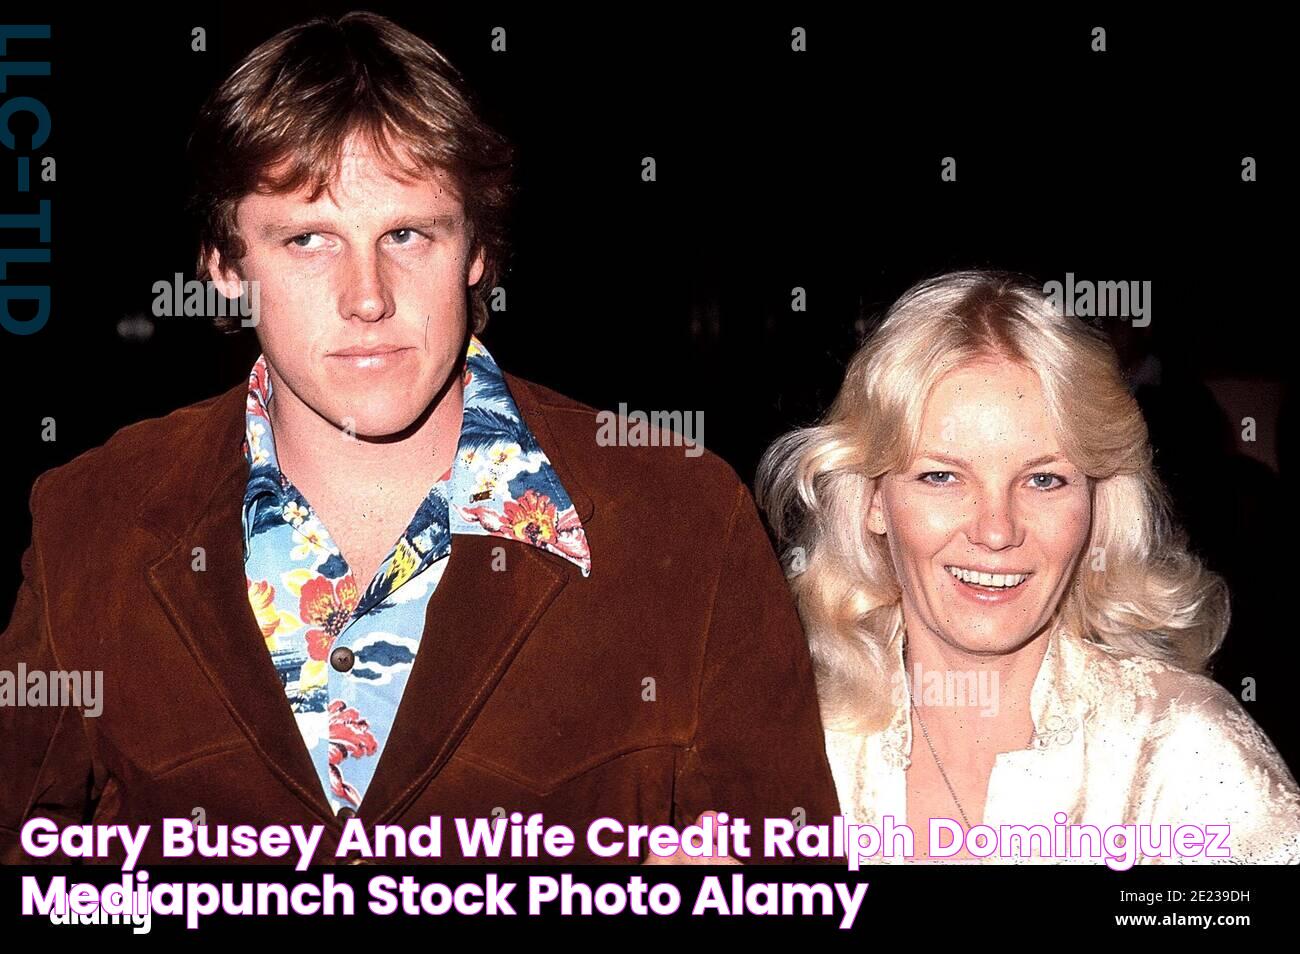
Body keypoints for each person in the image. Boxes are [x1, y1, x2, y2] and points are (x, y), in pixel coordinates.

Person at [0, 12, 840, 866]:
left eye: (407, 234)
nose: (368, 296)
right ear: (224, 265)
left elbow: (790, 873)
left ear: (475, 249)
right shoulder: (90, 519)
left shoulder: (684, 520)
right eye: (308, 240)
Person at [756, 270, 1300, 864]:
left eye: (1044, 479)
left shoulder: (1183, 758)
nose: (996, 530)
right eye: (942, 476)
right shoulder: (789, 749)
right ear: (872, 502)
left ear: (1096, 505)